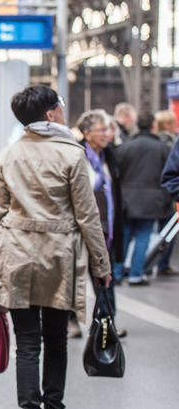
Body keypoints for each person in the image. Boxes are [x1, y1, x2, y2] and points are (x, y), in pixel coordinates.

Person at [0, 85, 112, 409]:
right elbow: (87, 216)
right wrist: (101, 265)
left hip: (16, 254)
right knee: (55, 340)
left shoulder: (9, 155)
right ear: (51, 114)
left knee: (27, 344)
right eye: (61, 106)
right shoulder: (72, 155)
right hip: (59, 255)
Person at [76, 110, 127, 337]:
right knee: (75, 279)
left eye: (109, 129)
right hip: (80, 229)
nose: (108, 134)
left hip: (107, 226)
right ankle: (70, 321)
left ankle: (106, 325)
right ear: (87, 133)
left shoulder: (111, 156)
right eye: (102, 129)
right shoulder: (76, 155)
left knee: (105, 277)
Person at [113, 111, 173, 285]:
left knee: (123, 236)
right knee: (143, 236)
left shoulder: (126, 146)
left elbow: (118, 173)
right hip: (151, 200)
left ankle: (117, 273)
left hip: (126, 200)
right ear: (153, 126)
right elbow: (168, 174)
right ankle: (135, 274)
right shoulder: (162, 148)